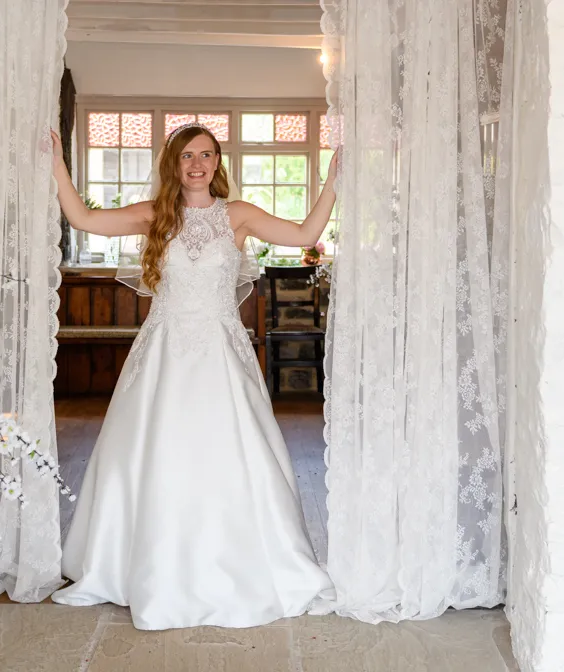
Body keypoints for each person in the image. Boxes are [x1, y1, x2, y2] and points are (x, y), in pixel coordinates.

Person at [48, 122, 339, 630]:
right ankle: (141, 565)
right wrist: (55, 162)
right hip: (164, 355)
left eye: (206, 155)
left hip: (222, 356)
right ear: (173, 165)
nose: (198, 164)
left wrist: (334, 179)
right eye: (187, 156)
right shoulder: (153, 217)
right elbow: (82, 217)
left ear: (217, 162)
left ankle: (244, 563)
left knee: (230, 454)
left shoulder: (238, 215)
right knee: (159, 453)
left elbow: (303, 235)